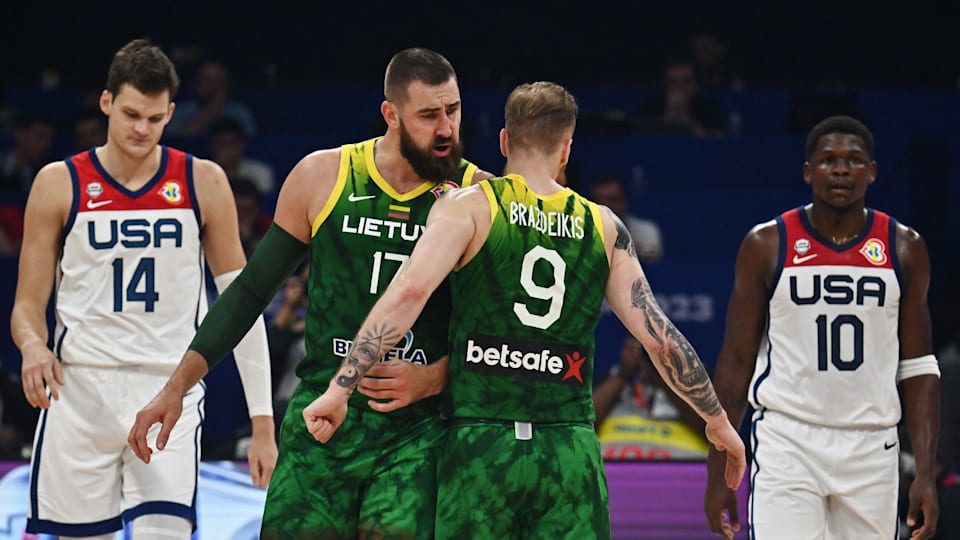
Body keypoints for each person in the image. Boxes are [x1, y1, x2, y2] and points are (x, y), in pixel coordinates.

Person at [300, 81, 746, 540]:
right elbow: (658, 335)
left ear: (504, 140)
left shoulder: (468, 207)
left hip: (480, 446)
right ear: (567, 149)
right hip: (567, 449)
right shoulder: (603, 224)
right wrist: (717, 422)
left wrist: (341, 388)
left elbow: (407, 295)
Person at [127, 47, 493, 539]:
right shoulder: (324, 176)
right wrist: (176, 389)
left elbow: (500, 335)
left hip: (419, 430)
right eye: (428, 115)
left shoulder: (480, 196)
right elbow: (250, 291)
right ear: (391, 114)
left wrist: (434, 377)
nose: (446, 127)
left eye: (453, 109)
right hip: (325, 414)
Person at [10, 39, 277, 539]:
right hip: (80, 389)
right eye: (131, 114)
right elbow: (27, 305)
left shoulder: (203, 181)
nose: (141, 129)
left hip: (167, 389)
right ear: (106, 102)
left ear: (171, 112)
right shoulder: (58, 183)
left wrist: (262, 422)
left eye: (155, 119)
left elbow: (242, 306)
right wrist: (31, 345)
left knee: (165, 532)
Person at [703, 115, 941, 540]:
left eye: (854, 160)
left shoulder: (904, 247)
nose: (841, 169)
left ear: (872, 172)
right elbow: (736, 362)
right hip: (787, 438)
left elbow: (919, 366)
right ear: (808, 171)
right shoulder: (765, 244)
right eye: (828, 159)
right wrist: (718, 471)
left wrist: (925, 470)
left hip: (872, 443)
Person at [593, 336, 709, 460]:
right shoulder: (608, 381)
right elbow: (582, 421)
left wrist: (665, 379)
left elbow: (710, 427)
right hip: (612, 471)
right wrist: (623, 374)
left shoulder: (697, 384)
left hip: (684, 472)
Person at [589, 172, 663, 263]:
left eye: (612, 200)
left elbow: (652, 266)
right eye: (598, 202)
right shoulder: (579, 232)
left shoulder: (646, 231)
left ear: (624, 201)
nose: (605, 207)